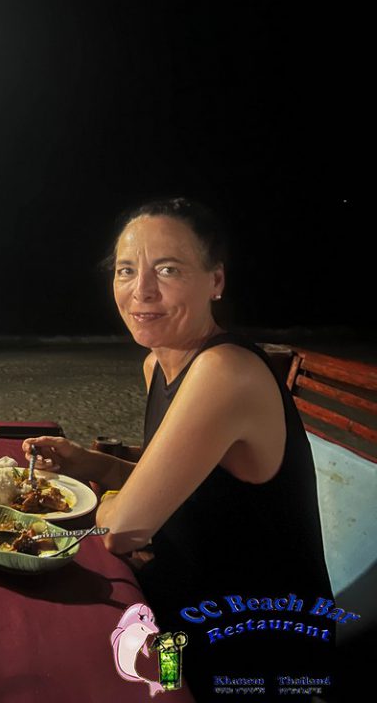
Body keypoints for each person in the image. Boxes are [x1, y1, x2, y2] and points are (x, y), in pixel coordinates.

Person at [24, 198, 335, 700]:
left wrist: (110, 507)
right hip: (182, 609)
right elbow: (184, 485)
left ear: (216, 281)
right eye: (127, 270)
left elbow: (122, 531)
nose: (141, 290)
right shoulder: (158, 363)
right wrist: (89, 462)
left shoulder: (224, 371)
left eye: (168, 269)